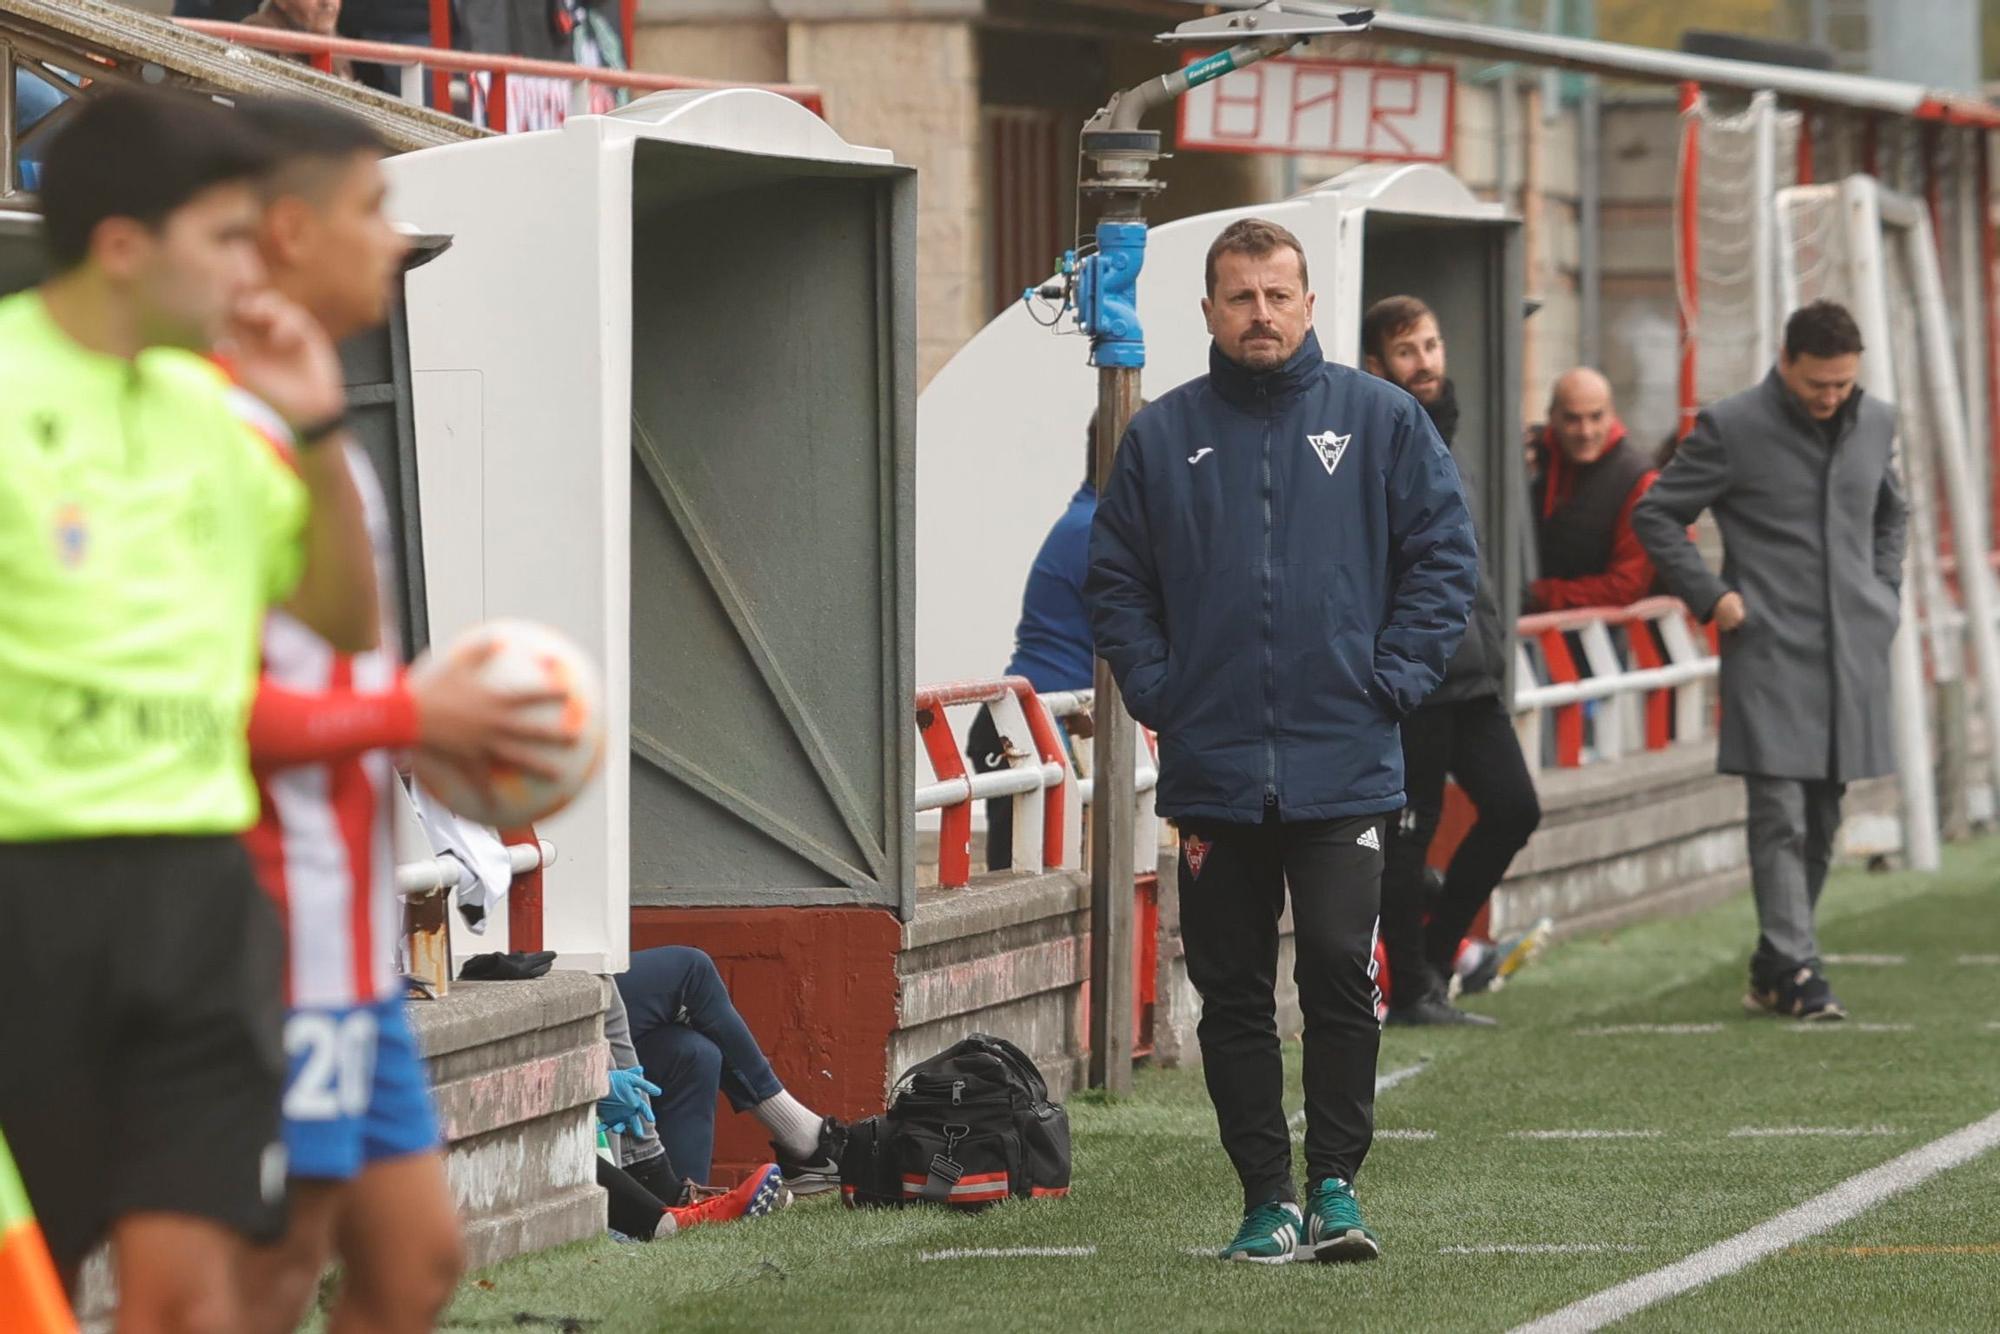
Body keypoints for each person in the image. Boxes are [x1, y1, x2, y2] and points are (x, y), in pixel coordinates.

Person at [0, 88, 376, 1331]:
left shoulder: (229, 416)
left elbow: (341, 618)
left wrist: (316, 425)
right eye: (223, 237)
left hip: (202, 907)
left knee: (187, 1304)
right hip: (28, 903)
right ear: (123, 247)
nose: (249, 262)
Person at [222, 99, 572, 1334]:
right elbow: (198, 701)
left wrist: (417, 726)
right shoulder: (214, 429)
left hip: (346, 935)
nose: (396, 238)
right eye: (371, 209)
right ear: (286, 228)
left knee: (414, 1262)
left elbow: (343, 669)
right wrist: (408, 706)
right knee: (265, 1274)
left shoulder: (316, 416)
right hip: (262, 925)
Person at [1087, 219, 1477, 1265]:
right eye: (1238, 297)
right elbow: (1114, 583)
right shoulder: (1163, 436)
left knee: (1343, 970)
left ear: (1308, 305)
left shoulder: (1381, 418)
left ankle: (1337, 1187)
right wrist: (1167, 692)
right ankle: (1266, 1196)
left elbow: (1445, 558)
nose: (1259, 313)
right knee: (1231, 991)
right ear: (1208, 311)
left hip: (1343, 759)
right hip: (1214, 768)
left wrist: (1386, 680)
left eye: (1276, 294)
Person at [1631, 300, 1905, 1022]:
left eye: (1843, 384)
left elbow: (1891, 512)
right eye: (1819, 383)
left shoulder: (1877, 421)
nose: (1830, 397)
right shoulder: (1732, 427)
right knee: (1779, 811)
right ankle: (1803, 970)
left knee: (1823, 816)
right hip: (1768, 650)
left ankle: (1775, 963)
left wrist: (1884, 591)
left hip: (1852, 655)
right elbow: (1656, 513)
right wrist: (1711, 595)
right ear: (1787, 362)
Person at [1359, 295, 1542, 1028]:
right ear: (1377, 366)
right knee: (1408, 836)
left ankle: (1436, 957)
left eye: (1431, 345)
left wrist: (1495, 655)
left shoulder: (1444, 436)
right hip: (1417, 676)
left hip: (1471, 675)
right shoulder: (1379, 441)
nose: (1426, 362)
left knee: (1515, 809)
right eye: (1408, 352)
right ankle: (1412, 990)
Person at [965, 409, 1120, 871]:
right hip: (1028, 732)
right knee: (1023, 886)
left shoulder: (1096, 524)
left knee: (1047, 884)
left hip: (1044, 726)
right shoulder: (1095, 531)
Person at [1526, 368, 1662, 612]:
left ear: (1612, 415)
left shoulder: (1638, 481)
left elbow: (1625, 587)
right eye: (1572, 419)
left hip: (1602, 639)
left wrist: (1541, 595)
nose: (1585, 432)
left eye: (1596, 417)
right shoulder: (1538, 456)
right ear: (1552, 417)